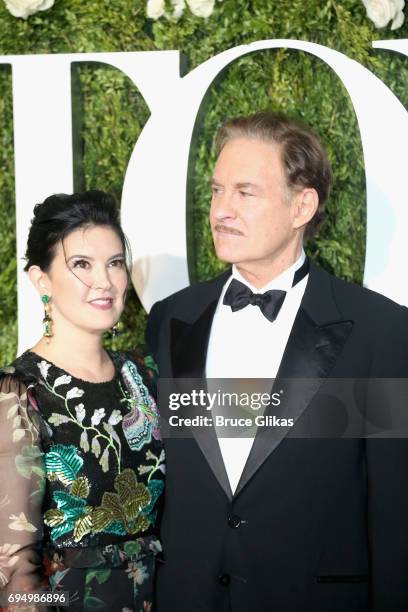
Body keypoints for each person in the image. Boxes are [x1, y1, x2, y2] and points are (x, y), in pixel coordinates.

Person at [146, 112, 408, 611]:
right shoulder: (169, 319)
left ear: (301, 205)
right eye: (217, 190)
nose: (221, 210)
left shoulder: (380, 330)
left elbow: (395, 514)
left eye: (244, 193)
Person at [0, 191, 164, 612]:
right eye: (81, 265)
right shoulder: (18, 395)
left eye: (114, 263)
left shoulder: (145, 375)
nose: (105, 281)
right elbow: (15, 570)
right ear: (41, 280)